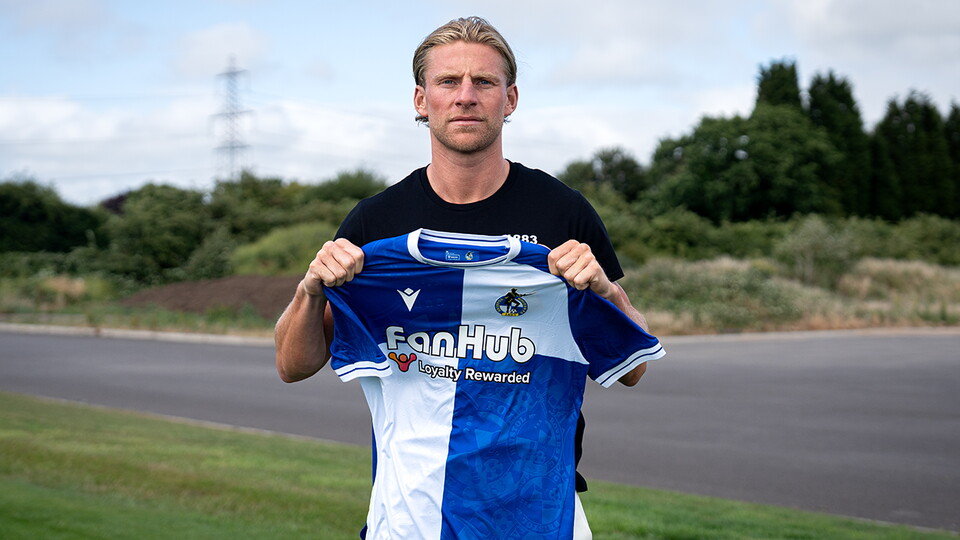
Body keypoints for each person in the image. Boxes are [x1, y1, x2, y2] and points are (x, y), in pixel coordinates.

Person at [275, 16, 652, 539]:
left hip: (540, 509)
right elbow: (293, 366)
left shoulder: (562, 213)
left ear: (511, 99)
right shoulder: (375, 224)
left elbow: (630, 369)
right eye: (449, 82)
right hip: (410, 511)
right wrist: (309, 288)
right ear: (420, 99)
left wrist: (605, 290)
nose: (466, 96)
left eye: (485, 82)